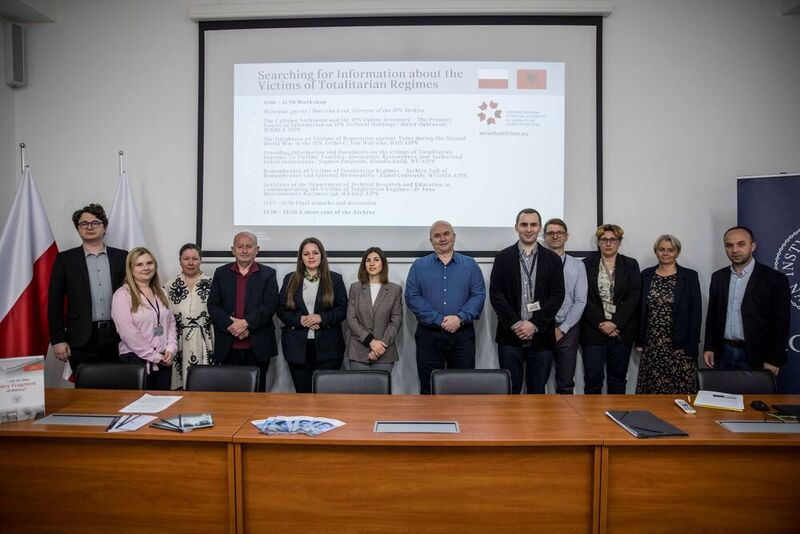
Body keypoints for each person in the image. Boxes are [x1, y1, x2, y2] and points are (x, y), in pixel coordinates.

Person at [406, 220, 486, 394]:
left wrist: (459, 318)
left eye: (446, 234)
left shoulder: (470, 264)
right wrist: (440, 320)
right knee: (429, 389)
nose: (442, 239)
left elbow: (478, 295)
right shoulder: (419, 266)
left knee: (462, 389)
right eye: (437, 235)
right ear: (431, 240)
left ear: (454, 237)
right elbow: (412, 297)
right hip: (429, 336)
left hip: (462, 335)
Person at [490, 209, 565, 394]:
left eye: (533, 225)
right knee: (510, 393)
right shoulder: (503, 258)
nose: (529, 229)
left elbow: (557, 296)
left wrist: (534, 324)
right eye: (524, 224)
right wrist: (517, 324)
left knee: (537, 392)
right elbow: (496, 295)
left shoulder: (553, 260)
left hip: (542, 338)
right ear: (516, 227)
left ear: (539, 228)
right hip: (510, 338)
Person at [48, 203, 128, 375]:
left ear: (105, 227)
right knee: (85, 391)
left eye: (95, 222)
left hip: (118, 335)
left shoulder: (122, 257)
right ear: (78, 228)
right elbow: (54, 302)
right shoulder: (65, 260)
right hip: (81, 337)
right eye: (84, 223)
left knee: (118, 388)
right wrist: (58, 339)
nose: (89, 227)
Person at [703, 226, 790, 376]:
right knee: (724, 398)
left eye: (741, 244)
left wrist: (774, 359)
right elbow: (712, 316)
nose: (735, 249)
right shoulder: (718, 277)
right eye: (729, 245)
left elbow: (781, 323)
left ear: (753, 246)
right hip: (724, 353)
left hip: (758, 356)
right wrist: (709, 347)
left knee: (756, 399)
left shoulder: (774, 279)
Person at [208, 232, 279, 392]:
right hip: (228, 344)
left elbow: (270, 305)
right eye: (240, 247)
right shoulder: (221, 273)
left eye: (249, 246)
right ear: (233, 250)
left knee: (258, 393)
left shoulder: (268, 274)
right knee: (229, 394)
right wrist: (232, 326)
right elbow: (213, 305)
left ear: (257, 249)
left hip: (258, 346)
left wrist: (246, 323)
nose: (244, 250)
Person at [278, 237, 347, 393]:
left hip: (329, 347)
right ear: (300, 258)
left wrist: (321, 318)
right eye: (306, 253)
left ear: (321, 255)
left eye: (315, 253)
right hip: (297, 348)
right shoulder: (290, 279)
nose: (311, 257)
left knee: (326, 397)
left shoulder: (335, 279)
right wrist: (300, 319)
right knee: (303, 397)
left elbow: (343, 309)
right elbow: (281, 309)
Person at [635, 235, 701, 394]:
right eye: (661, 249)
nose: (666, 253)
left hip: (680, 344)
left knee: (680, 390)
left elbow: (696, 313)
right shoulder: (646, 275)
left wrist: (691, 346)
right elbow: (639, 310)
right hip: (652, 344)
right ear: (656, 252)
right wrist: (639, 339)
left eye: (670, 250)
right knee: (652, 389)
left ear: (677, 252)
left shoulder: (689, 276)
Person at [580, 224, 641, 394]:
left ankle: (617, 417)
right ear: (598, 242)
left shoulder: (630, 264)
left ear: (619, 242)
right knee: (593, 379)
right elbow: (582, 298)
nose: (608, 243)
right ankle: (591, 419)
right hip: (593, 331)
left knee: (618, 379)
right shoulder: (585, 265)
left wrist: (615, 323)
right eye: (604, 239)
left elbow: (633, 298)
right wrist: (601, 323)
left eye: (612, 239)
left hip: (621, 332)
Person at [111, 247, 177, 390]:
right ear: (130, 269)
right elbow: (128, 333)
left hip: (164, 360)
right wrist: (154, 356)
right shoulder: (122, 295)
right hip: (135, 362)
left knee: (162, 407)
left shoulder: (162, 291)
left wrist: (171, 349)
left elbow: (170, 322)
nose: (146, 268)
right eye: (139, 264)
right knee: (137, 408)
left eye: (149, 263)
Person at [543, 218, 588, 394]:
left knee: (566, 382)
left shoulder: (578, 266)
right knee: (537, 380)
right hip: (541, 328)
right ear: (544, 237)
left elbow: (580, 301)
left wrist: (563, 328)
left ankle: (565, 420)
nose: (555, 236)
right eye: (550, 233)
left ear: (566, 236)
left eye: (559, 232)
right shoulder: (537, 263)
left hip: (568, 329)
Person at [165, 243, 215, 390]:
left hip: (205, 338)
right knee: (179, 382)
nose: (191, 263)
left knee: (204, 382)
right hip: (179, 339)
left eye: (195, 258)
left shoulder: (212, 283)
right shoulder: (169, 285)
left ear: (201, 260)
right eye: (186, 258)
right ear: (180, 260)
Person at [346, 247, 403, 372]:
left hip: (384, 353)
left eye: (376, 260)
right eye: (368, 260)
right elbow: (351, 319)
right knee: (358, 390)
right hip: (358, 352)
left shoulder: (394, 290)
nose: (372, 263)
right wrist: (371, 341)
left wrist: (379, 346)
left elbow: (396, 321)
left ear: (383, 264)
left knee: (382, 391)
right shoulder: (355, 288)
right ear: (364, 265)